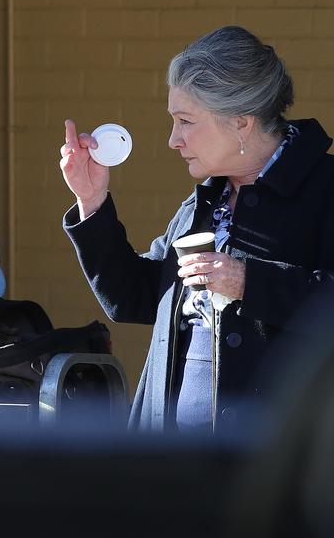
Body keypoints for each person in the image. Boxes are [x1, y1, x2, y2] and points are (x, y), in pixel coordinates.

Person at [59, 25, 334, 432]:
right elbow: (134, 298)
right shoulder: (207, 199)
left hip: (278, 466)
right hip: (174, 465)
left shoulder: (324, 189)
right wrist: (91, 201)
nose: (173, 139)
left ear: (241, 123)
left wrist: (248, 281)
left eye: (185, 121)